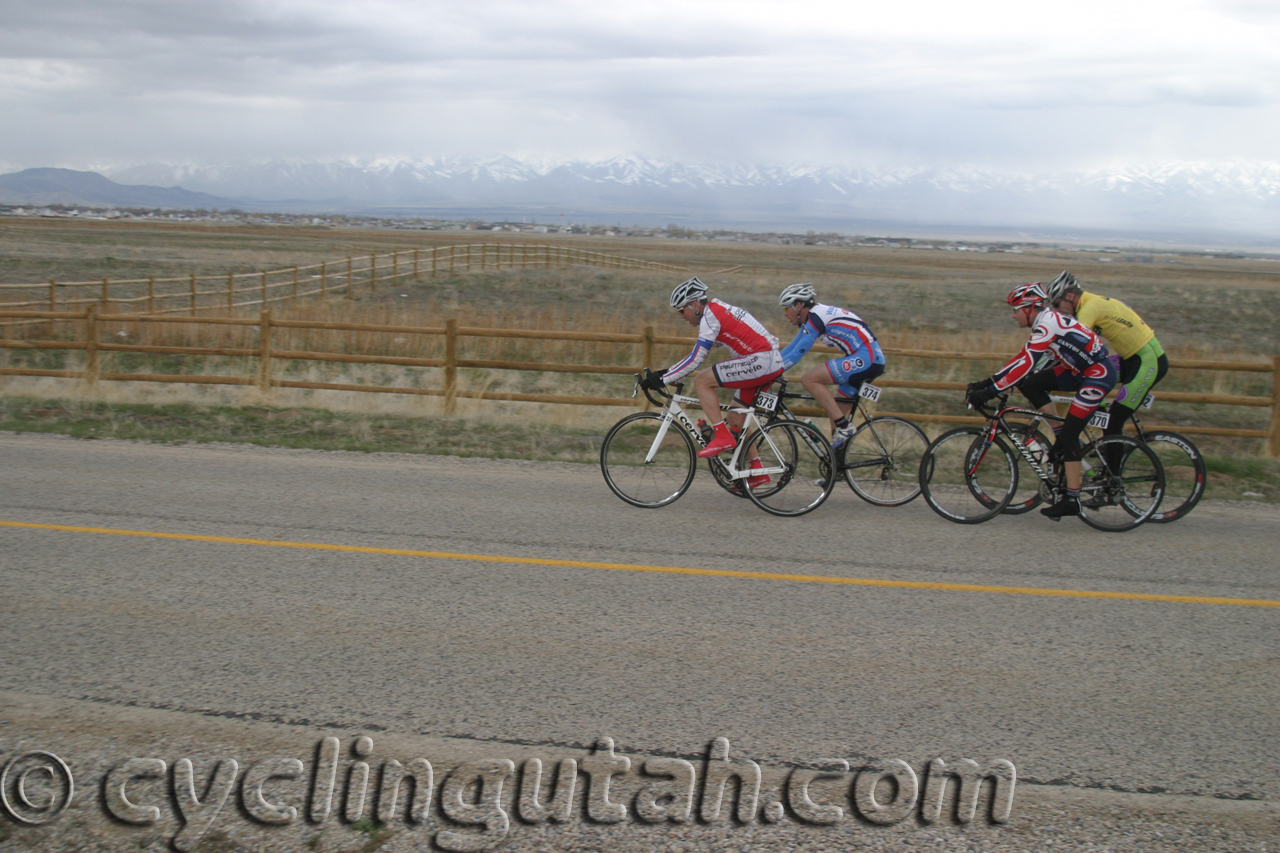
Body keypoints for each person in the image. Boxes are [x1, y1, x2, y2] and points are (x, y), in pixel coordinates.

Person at [966, 283, 1117, 520]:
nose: (1013, 315)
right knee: (1031, 384)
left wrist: (991, 390)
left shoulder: (1047, 324)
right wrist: (987, 382)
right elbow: (1022, 359)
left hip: (1097, 375)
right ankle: (1059, 435)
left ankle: (1072, 500)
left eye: (1016, 309)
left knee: (1070, 436)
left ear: (1030, 308)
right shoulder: (1044, 322)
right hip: (1079, 371)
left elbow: (1027, 363)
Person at [640, 277, 784, 486]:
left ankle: (722, 436)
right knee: (736, 417)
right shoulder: (715, 311)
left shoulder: (711, 316)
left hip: (762, 360)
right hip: (765, 361)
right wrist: (667, 372)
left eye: (682, 311)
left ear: (695, 304)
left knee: (702, 381)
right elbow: (693, 356)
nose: (681, 317)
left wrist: (663, 379)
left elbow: (697, 359)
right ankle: (757, 470)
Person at [1043, 271, 1169, 443]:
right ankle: (1100, 418)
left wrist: (1043, 365)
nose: (1057, 311)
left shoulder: (1089, 309)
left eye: (1057, 304)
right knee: (1094, 376)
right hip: (1129, 359)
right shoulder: (1091, 302)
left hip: (1148, 362)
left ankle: (1113, 468)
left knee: (1113, 424)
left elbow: (1072, 343)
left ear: (1070, 296)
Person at [776, 283, 886, 450]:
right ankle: (835, 470)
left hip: (866, 358)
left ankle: (845, 426)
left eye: (786, 309)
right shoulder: (814, 317)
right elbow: (792, 346)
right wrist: (771, 364)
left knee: (809, 379)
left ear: (798, 306)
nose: (785, 314)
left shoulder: (816, 318)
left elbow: (798, 352)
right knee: (836, 418)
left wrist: (772, 372)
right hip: (868, 358)